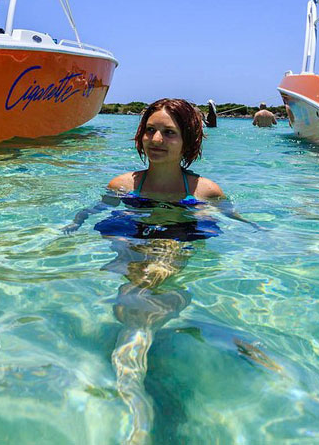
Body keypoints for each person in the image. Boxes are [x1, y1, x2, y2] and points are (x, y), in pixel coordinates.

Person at [65, 98, 258, 444]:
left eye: (169, 133)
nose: (156, 140)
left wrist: (267, 235)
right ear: (140, 136)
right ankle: (137, 377)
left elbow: (237, 219)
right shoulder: (123, 185)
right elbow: (91, 211)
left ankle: (133, 392)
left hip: (178, 236)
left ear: (188, 142)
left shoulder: (204, 190)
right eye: (150, 130)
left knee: (143, 291)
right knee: (137, 292)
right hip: (130, 230)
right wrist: (71, 227)